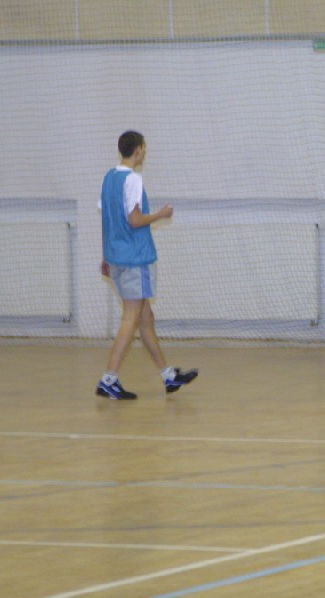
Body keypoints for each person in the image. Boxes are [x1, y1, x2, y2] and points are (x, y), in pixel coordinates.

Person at [97, 130, 198, 400]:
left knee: (145, 319)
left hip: (117, 257)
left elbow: (107, 219)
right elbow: (135, 220)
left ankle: (168, 376)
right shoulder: (132, 179)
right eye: (144, 148)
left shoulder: (108, 178)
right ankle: (108, 380)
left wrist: (105, 256)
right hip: (135, 259)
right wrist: (161, 215)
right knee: (131, 319)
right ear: (138, 150)